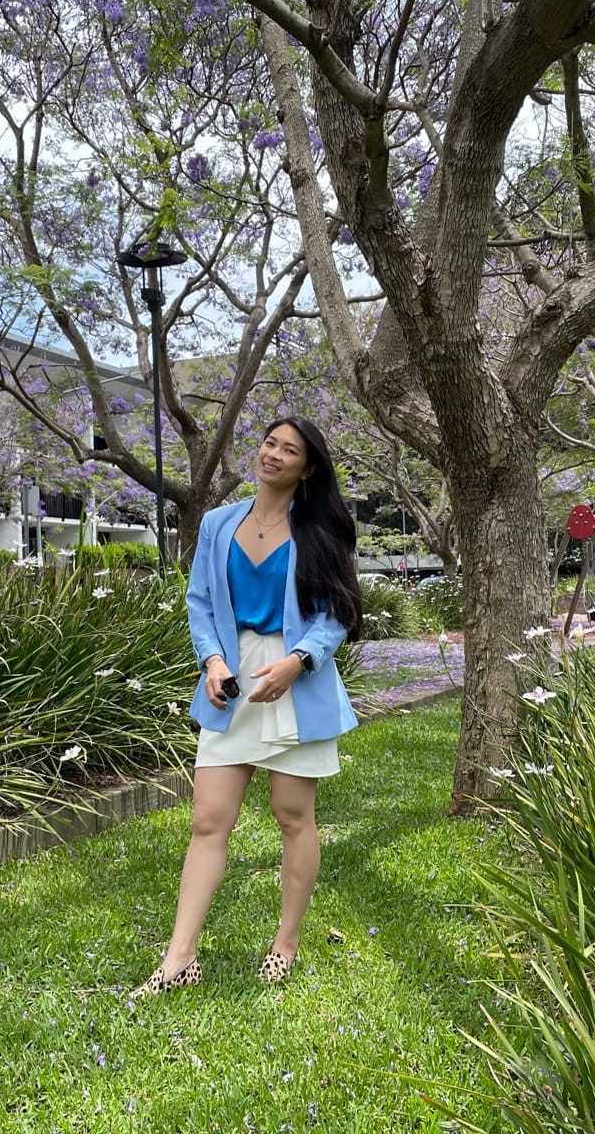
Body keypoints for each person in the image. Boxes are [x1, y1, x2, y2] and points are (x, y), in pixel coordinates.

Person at [131, 417, 364, 998]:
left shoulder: (318, 529)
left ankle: (286, 943)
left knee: (292, 816)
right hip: (232, 682)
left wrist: (298, 662)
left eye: (290, 450)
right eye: (270, 443)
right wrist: (211, 662)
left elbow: (336, 612)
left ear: (307, 467)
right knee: (208, 819)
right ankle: (178, 957)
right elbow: (200, 602)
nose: (275, 455)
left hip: (296, 681)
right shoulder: (217, 522)